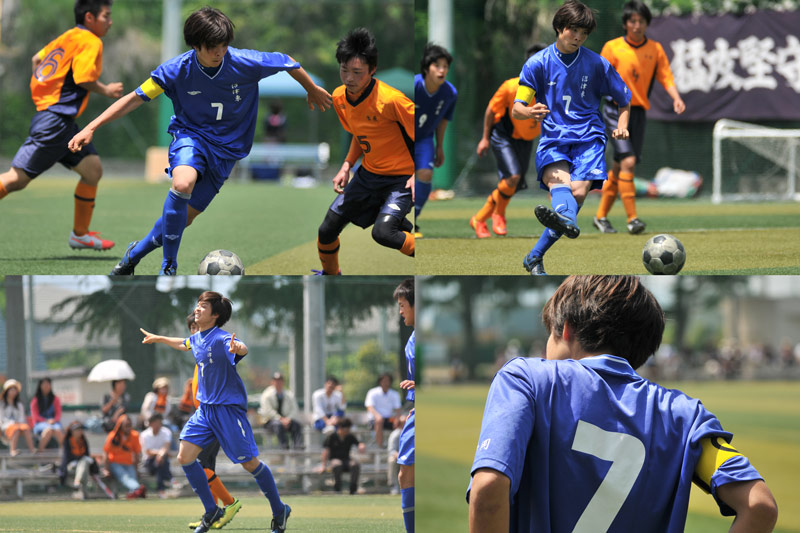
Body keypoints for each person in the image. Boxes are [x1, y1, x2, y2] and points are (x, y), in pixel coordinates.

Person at [467, 276, 778, 532]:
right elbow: (760, 506)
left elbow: (489, 489)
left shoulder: (526, 378)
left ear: (566, 329)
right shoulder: (685, 416)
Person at [68, 7, 331, 275]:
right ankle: (169, 266)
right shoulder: (175, 70)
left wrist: (311, 89)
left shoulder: (245, 62)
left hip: (226, 153)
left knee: (182, 220)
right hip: (190, 137)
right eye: (213, 47)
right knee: (182, 183)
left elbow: (288, 61)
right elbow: (134, 99)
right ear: (195, 45)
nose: (220, 52)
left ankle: (133, 255)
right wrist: (91, 127)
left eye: (224, 45)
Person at [140, 291, 289, 533]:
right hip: (205, 411)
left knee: (250, 463)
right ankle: (212, 510)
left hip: (227, 411)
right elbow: (183, 343)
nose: (197, 309)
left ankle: (279, 509)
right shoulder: (197, 338)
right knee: (184, 457)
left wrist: (239, 348)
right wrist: (158, 338)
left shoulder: (221, 338)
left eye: (203, 306)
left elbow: (241, 348)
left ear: (215, 315)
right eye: (197, 305)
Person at [512, 0, 631, 275]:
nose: (578, 37)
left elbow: (624, 99)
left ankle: (554, 232)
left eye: (584, 33)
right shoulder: (537, 64)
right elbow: (517, 108)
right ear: (559, 27)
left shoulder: (597, 64)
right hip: (553, 139)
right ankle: (536, 255)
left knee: (575, 193)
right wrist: (529, 112)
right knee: (563, 192)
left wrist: (622, 125)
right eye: (573, 30)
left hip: (589, 137)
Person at [0, 0, 122, 251]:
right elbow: (84, 78)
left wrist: (45, 92)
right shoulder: (90, 40)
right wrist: (107, 90)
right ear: (89, 17)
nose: (110, 22)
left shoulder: (68, 36)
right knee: (16, 179)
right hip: (55, 122)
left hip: (61, 121)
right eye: (106, 16)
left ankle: (80, 234)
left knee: (92, 170)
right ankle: (81, 234)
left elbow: (36, 60)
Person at [315, 27, 415, 275]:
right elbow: (360, 136)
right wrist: (346, 165)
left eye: (357, 72)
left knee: (383, 233)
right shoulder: (339, 97)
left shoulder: (392, 100)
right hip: (367, 176)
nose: (349, 78)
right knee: (326, 231)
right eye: (344, 70)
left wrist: (419, 174)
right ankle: (331, 275)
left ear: (372, 70)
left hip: (401, 180)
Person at [593, 0, 686, 235]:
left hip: (639, 113)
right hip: (615, 111)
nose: (637, 25)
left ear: (647, 23)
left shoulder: (655, 49)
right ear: (625, 23)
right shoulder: (612, 47)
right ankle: (632, 219)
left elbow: (666, 76)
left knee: (619, 166)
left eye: (641, 21)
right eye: (632, 21)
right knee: (628, 162)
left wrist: (676, 97)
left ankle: (600, 216)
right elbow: (598, 77)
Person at [470, 44, 546, 238]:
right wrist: (485, 138)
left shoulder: (552, 90)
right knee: (512, 177)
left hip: (526, 140)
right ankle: (499, 214)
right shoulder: (511, 87)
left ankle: (479, 219)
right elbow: (490, 111)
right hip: (503, 136)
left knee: (512, 184)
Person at [183, 313, 242, 532]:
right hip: (205, 418)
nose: (195, 332)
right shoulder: (200, 359)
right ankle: (211, 513)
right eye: (192, 328)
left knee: (199, 466)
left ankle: (229, 503)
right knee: (206, 467)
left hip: (213, 419)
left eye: (198, 328)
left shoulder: (213, 356)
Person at [413, 43, 457, 239]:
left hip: (424, 139)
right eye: (437, 66)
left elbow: (444, 120)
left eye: (445, 66)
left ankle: (413, 221)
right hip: (403, 138)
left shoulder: (450, 93)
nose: (442, 70)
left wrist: (440, 146)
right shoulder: (414, 86)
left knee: (425, 173)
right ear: (426, 68)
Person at [394, 278, 415, 533]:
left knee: (406, 474)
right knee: (406, 473)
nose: (400, 311)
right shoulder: (411, 340)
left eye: (402, 305)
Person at [316, 417, 366, 494]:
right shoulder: (332, 437)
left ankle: (353, 490)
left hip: (346, 460)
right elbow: (326, 451)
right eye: (346, 429)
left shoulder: (349, 436)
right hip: (334, 460)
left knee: (355, 465)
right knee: (337, 464)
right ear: (340, 428)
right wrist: (323, 466)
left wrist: (361, 445)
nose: (347, 431)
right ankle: (337, 489)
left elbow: (359, 443)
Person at [102, 414, 145, 499]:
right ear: (120, 426)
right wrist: (106, 469)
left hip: (129, 464)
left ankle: (133, 493)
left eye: (129, 425)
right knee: (125, 477)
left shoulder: (134, 435)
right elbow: (106, 452)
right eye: (126, 425)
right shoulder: (113, 436)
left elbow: (137, 454)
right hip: (114, 464)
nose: (128, 428)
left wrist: (136, 469)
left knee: (132, 477)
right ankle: (138, 488)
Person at [259, 372, 302, 449]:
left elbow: (294, 409)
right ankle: (284, 446)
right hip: (270, 421)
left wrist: (288, 419)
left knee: (296, 425)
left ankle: (297, 446)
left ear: (283, 382)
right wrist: (280, 419)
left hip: (286, 421)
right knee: (278, 425)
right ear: (272, 382)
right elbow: (268, 411)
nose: (278, 383)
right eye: (276, 380)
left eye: (280, 380)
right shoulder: (266, 395)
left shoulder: (289, 394)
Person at [139, 413, 178, 498]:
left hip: (162, 460)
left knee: (160, 465)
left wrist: (160, 455)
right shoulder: (144, 434)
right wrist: (160, 454)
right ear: (151, 423)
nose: (158, 425)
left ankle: (161, 490)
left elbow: (166, 447)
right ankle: (170, 478)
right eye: (156, 422)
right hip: (148, 462)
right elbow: (148, 452)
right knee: (161, 462)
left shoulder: (166, 432)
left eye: (159, 422)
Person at [59, 421, 101, 500]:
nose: (79, 432)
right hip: (71, 466)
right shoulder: (68, 441)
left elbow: (86, 454)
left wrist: (82, 459)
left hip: (82, 466)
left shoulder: (83, 440)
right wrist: (79, 458)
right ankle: (83, 491)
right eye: (77, 430)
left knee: (84, 463)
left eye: (80, 430)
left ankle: (79, 486)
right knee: (84, 463)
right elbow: (67, 457)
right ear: (72, 431)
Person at [364, 373, 402, 448]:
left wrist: (397, 419)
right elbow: (369, 407)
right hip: (374, 420)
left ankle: (399, 447)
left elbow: (398, 409)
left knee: (403, 420)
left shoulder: (395, 394)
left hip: (389, 420)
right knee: (379, 420)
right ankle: (380, 447)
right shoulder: (372, 392)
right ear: (380, 381)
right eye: (384, 380)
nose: (386, 383)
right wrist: (378, 416)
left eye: (388, 381)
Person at [0, 379, 36, 456]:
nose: (13, 392)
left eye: (15, 390)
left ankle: (32, 449)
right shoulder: (2, 404)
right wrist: (13, 423)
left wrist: (18, 423)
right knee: (16, 429)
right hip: (6, 426)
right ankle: (12, 450)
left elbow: (22, 418)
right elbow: (2, 418)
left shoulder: (19, 404)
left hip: (19, 424)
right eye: (11, 390)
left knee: (26, 428)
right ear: (7, 391)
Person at [30, 377, 65, 452]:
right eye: (44, 384)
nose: (46, 386)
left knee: (58, 430)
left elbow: (58, 413)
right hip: (40, 423)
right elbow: (35, 416)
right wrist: (46, 421)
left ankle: (64, 451)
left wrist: (54, 420)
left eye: (48, 384)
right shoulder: (35, 400)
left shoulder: (55, 399)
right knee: (48, 430)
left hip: (54, 423)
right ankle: (40, 451)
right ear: (40, 386)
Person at [387, 413, 407, 495]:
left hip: (410, 457)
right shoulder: (395, 434)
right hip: (399, 457)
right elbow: (392, 450)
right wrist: (400, 456)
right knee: (392, 460)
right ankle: (394, 486)